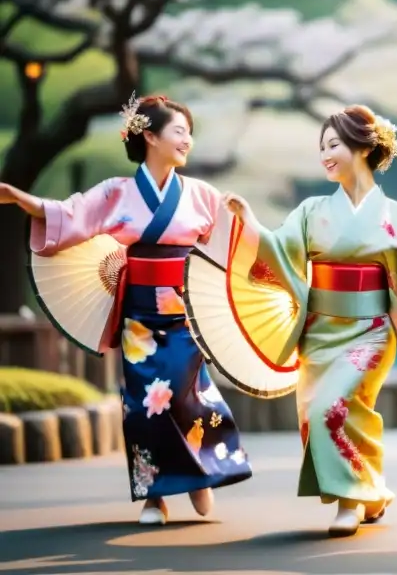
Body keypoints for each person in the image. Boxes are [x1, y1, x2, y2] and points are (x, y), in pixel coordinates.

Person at [220, 105, 397, 537]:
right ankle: (371, 491)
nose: (325, 154)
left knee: (332, 407)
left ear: (363, 147)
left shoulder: (396, 215)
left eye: (334, 144)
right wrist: (248, 221)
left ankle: (349, 501)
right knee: (315, 414)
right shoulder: (310, 211)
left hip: (370, 331)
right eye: (321, 146)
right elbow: (278, 252)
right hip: (319, 331)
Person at [0, 94, 252, 525]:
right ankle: (156, 495)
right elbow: (71, 214)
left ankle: (198, 475)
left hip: (185, 314)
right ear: (150, 137)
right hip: (140, 317)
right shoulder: (117, 193)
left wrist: (248, 225)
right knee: (144, 404)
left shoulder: (201, 195)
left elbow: (232, 245)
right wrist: (26, 200)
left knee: (188, 394)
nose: (187, 140)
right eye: (179, 131)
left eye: (189, 132)